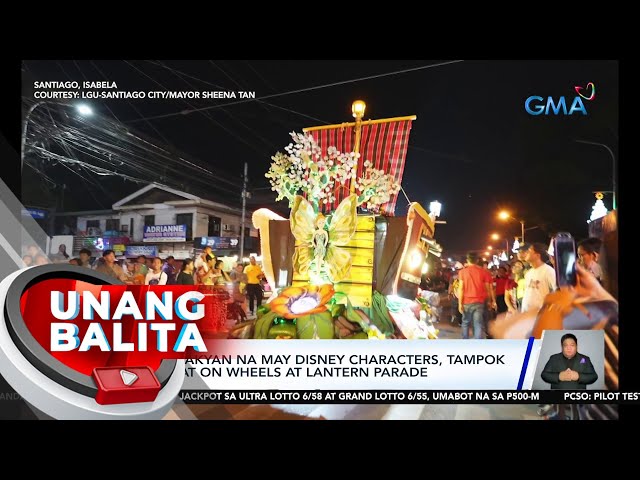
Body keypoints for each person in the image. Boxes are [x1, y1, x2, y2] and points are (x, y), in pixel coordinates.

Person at [457, 252, 496, 339]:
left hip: (466, 301)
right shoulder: (484, 272)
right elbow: (488, 289)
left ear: (467, 260)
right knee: (478, 323)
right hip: (479, 302)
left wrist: (460, 303)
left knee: (465, 323)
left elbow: (461, 288)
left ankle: (465, 342)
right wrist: (490, 301)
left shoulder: (462, 272)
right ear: (477, 260)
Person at [521, 243, 557, 314]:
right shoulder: (529, 273)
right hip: (526, 314)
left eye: (529, 250)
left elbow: (558, 292)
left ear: (537, 255)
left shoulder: (548, 271)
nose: (526, 253)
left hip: (540, 315)